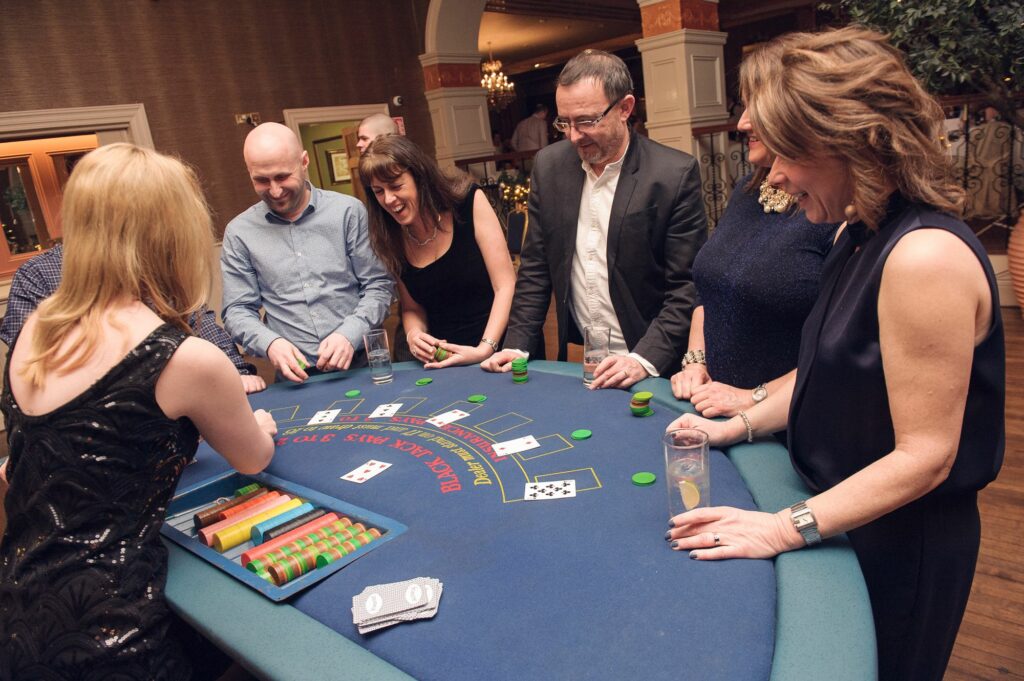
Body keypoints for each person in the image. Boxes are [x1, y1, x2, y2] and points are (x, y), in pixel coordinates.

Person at [665, 28, 1004, 681]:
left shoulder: (924, 256)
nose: (774, 172)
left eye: (787, 151)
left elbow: (926, 456)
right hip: (843, 509)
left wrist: (781, 526)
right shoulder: (854, 228)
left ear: (849, 140)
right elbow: (829, 368)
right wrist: (733, 424)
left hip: (903, 542)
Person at [0, 143, 278, 679]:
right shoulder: (185, 356)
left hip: (19, 615)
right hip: (119, 639)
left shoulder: (35, 331)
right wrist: (255, 424)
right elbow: (252, 457)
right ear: (170, 232)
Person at [482, 49, 706, 389]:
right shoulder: (549, 165)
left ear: (625, 108)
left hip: (651, 363)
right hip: (584, 362)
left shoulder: (673, 174)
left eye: (586, 121)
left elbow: (686, 287)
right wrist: (517, 345)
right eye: (564, 123)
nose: (573, 136)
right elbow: (536, 268)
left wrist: (641, 359)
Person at [670, 104, 839, 417]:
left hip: (791, 418)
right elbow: (707, 289)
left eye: (758, 106)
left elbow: (836, 352)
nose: (743, 122)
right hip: (715, 407)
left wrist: (752, 398)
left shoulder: (834, 208)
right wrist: (696, 361)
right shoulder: (746, 189)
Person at [221, 122, 394, 383]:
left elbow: (379, 286)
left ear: (304, 162)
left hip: (360, 365)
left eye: (282, 177)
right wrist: (270, 343)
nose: (275, 191)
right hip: (293, 379)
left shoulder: (348, 212)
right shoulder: (239, 233)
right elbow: (237, 310)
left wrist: (349, 334)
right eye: (261, 180)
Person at [0, 243, 267, 394]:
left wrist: (235, 371)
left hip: (177, 409)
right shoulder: (37, 275)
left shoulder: (152, 262)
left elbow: (196, 317)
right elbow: (28, 370)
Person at [359, 135, 515, 366]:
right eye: (378, 191)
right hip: (445, 361)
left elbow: (505, 285)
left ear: (420, 177)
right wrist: (413, 334)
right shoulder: (388, 236)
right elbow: (412, 307)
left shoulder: (468, 202)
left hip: (500, 349)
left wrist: (484, 349)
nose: (389, 199)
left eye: (395, 186)